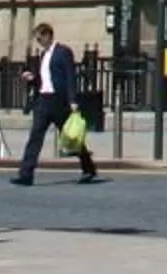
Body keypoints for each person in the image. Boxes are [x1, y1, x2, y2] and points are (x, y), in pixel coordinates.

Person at [11, 21, 101, 185]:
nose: (38, 42)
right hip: (43, 100)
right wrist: (33, 78)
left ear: (47, 35)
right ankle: (26, 174)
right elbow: (44, 79)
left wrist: (73, 100)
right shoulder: (43, 55)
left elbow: (70, 77)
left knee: (71, 137)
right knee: (35, 137)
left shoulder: (63, 52)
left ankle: (88, 169)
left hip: (59, 102)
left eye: (40, 38)